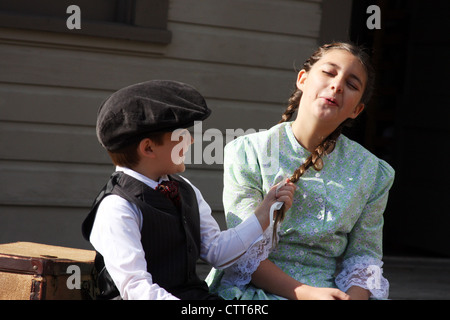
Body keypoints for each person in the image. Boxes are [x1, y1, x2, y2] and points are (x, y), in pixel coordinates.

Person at [205, 42, 395, 300]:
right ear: (302, 79)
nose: (337, 85)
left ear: (356, 110)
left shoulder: (373, 172)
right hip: (252, 290)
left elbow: (364, 255)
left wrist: (352, 297)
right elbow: (243, 249)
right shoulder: (249, 152)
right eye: (329, 72)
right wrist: (306, 294)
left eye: (351, 85)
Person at [81, 80, 295, 300]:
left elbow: (217, 251)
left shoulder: (185, 189)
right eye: (180, 135)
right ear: (148, 148)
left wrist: (264, 212)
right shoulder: (117, 207)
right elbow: (136, 289)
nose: (191, 140)